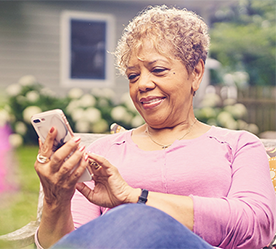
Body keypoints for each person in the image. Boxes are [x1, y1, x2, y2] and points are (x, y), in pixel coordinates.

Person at [34, 5, 276, 249]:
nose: (143, 84)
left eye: (158, 70)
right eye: (132, 76)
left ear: (196, 73)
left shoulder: (240, 145)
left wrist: (136, 199)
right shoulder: (102, 152)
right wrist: (56, 201)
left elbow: (256, 226)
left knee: (139, 218)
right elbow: (73, 246)